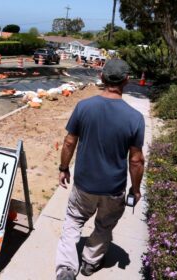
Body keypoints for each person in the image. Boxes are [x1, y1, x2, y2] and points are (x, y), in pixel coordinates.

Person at [55, 59, 145, 280]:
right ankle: (90, 262)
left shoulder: (84, 107)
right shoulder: (135, 118)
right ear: (127, 80)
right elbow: (136, 161)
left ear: (102, 78)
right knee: (104, 225)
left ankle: (66, 268)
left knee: (73, 220)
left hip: (84, 184)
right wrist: (135, 189)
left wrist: (64, 168)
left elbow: (69, 142)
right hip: (113, 188)